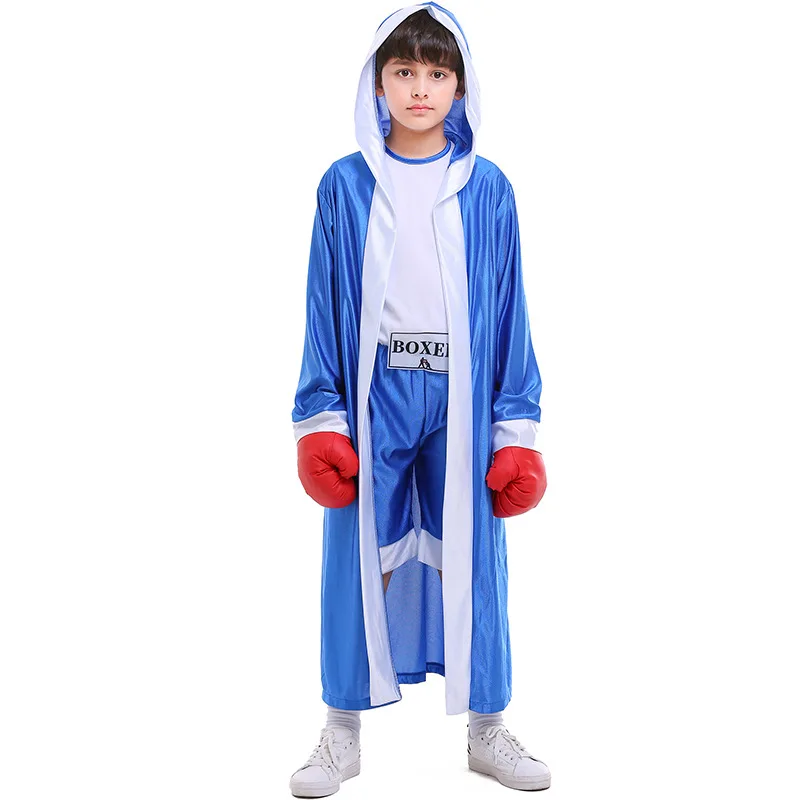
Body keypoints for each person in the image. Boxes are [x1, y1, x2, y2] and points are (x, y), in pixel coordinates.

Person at [289, 3, 550, 795]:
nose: (420, 88)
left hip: (460, 394)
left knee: (476, 555)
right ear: (378, 83)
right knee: (355, 552)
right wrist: (321, 418)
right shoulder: (345, 185)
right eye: (404, 71)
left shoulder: (488, 189)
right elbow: (324, 306)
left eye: (438, 73)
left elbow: (509, 309)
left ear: (461, 87)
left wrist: (516, 429)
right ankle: (340, 734)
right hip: (376, 392)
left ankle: (487, 728)